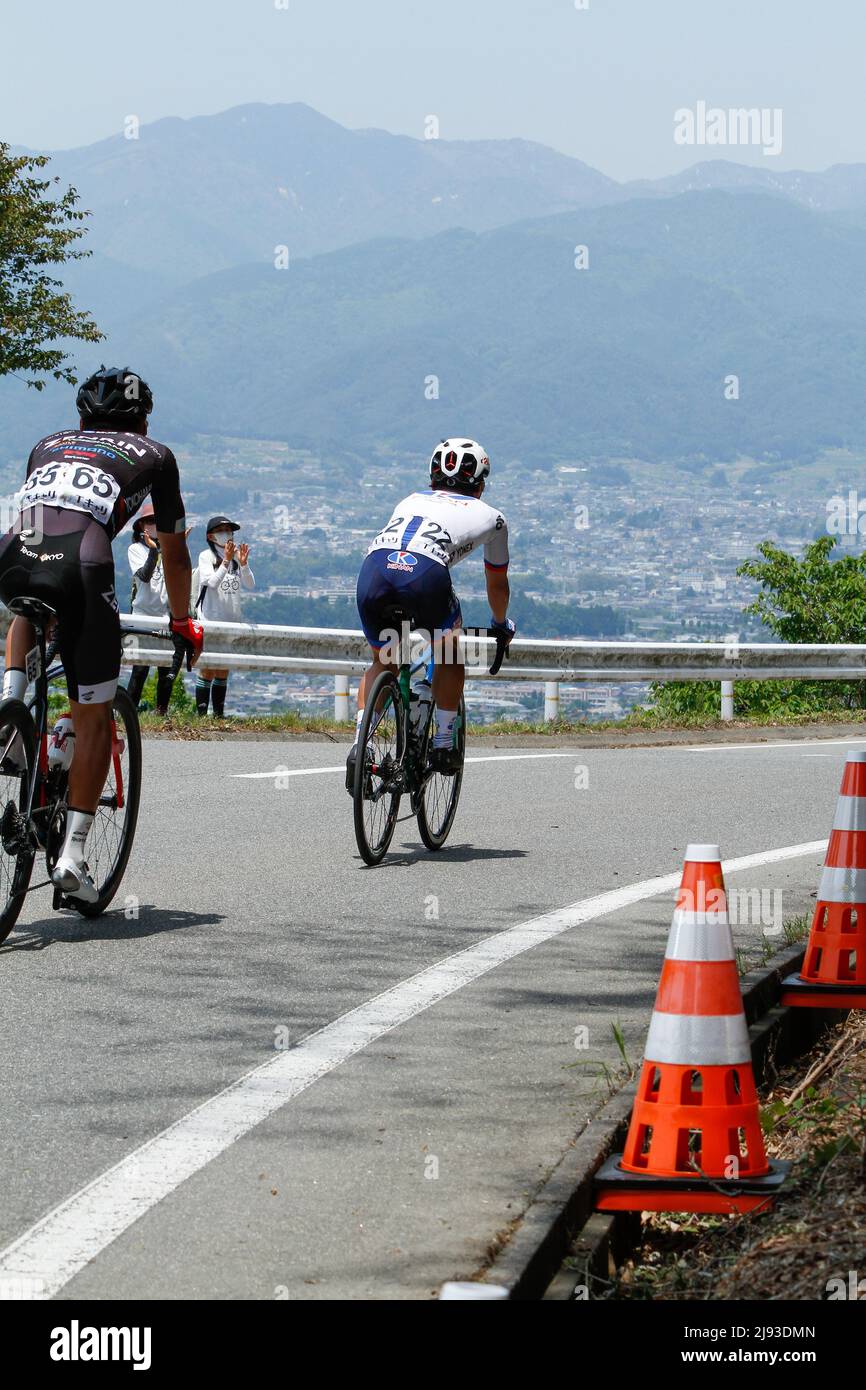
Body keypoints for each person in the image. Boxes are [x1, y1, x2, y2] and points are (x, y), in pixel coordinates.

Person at [0, 365, 203, 902]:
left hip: (11, 556)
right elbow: (176, 555)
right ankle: (72, 857)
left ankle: (12, 708)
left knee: (31, 599)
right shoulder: (155, 455)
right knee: (93, 715)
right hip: (83, 571)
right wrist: (181, 622)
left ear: (82, 414)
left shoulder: (48, 443)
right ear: (142, 420)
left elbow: (41, 518)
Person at [348, 437, 514, 788]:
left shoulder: (409, 499)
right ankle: (442, 744)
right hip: (425, 576)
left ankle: (359, 747)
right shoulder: (494, 518)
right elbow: (497, 585)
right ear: (481, 485)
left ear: (432, 477)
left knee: (384, 659)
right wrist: (500, 624)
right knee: (450, 649)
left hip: (374, 570)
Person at [193, 516, 254, 716]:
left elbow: (250, 584)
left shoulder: (236, 558)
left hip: (231, 620)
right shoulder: (205, 556)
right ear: (211, 536)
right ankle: (202, 713)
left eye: (229, 530)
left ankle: (218, 713)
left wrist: (243, 565)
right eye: (222, 530)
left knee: (223, 669)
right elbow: (211, 582)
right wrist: (226, 561)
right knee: (208, 668)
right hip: (210, 620)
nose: (227, 534)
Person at [125, 502, 175, 715]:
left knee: (166, 667)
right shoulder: (136, 549)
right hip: (142, 615)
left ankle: (161, 712)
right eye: (151, 521)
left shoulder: (167, 550)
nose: (155, 525)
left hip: (163, 615)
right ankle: (129, 712)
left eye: (158, 521)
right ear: (142, 526)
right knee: (140, 669)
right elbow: (144, 576)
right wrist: (155, 553)